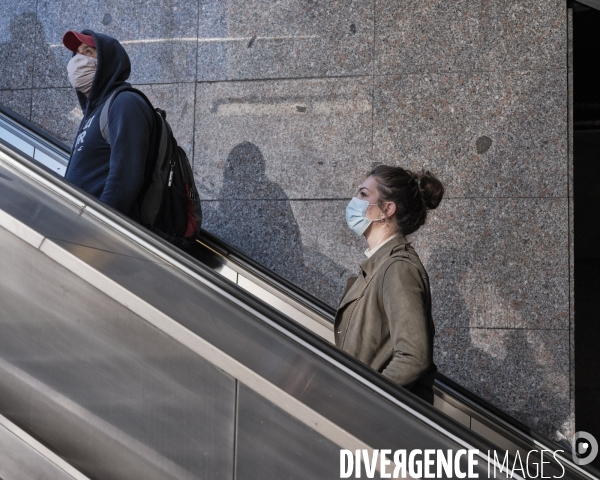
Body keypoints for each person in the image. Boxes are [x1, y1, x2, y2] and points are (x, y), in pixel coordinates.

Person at [336, 165, 444, 403]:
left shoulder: (398, 268)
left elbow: (414, 356)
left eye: (363, 194)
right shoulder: (382, 264)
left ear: (386, 209)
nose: (355, 200)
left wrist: (365, 400)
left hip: (373, 420)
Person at [62, 30, 157, 221]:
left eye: (88, 52)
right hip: (78, 227)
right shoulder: (92, 115)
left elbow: (125, 178)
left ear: (108, 62)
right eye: (77, 53)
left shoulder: (124, 103)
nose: (79, 60)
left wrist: (101, 225)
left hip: (101, 232)